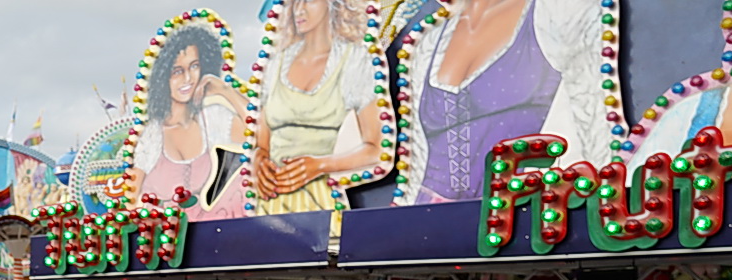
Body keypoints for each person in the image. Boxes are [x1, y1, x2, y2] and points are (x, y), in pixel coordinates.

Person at [399, 0, 608, 205]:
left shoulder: (560, 13)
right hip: (424, 220)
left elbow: (596, 128)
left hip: (517, 217)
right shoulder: (427, 41)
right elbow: (415, 161)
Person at [250, 0, 386, 215]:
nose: (300, 9)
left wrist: (319, 165)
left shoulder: (353, 60)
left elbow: (377, 150)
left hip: (319, 205)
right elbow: (261, 144)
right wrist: (257, 159)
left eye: (310, 0)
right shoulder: (275, 63)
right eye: (294, 2)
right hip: (266, 205)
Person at [128, 18, 247, 219]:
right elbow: (131, 199)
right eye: (177, 71)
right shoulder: (152, 134)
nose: (188, 78)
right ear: (163, 79)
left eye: (194, 66)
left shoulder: (212, 118)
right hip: (164, 237)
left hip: (211, 230)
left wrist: (225, 91)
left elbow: (260, 135)